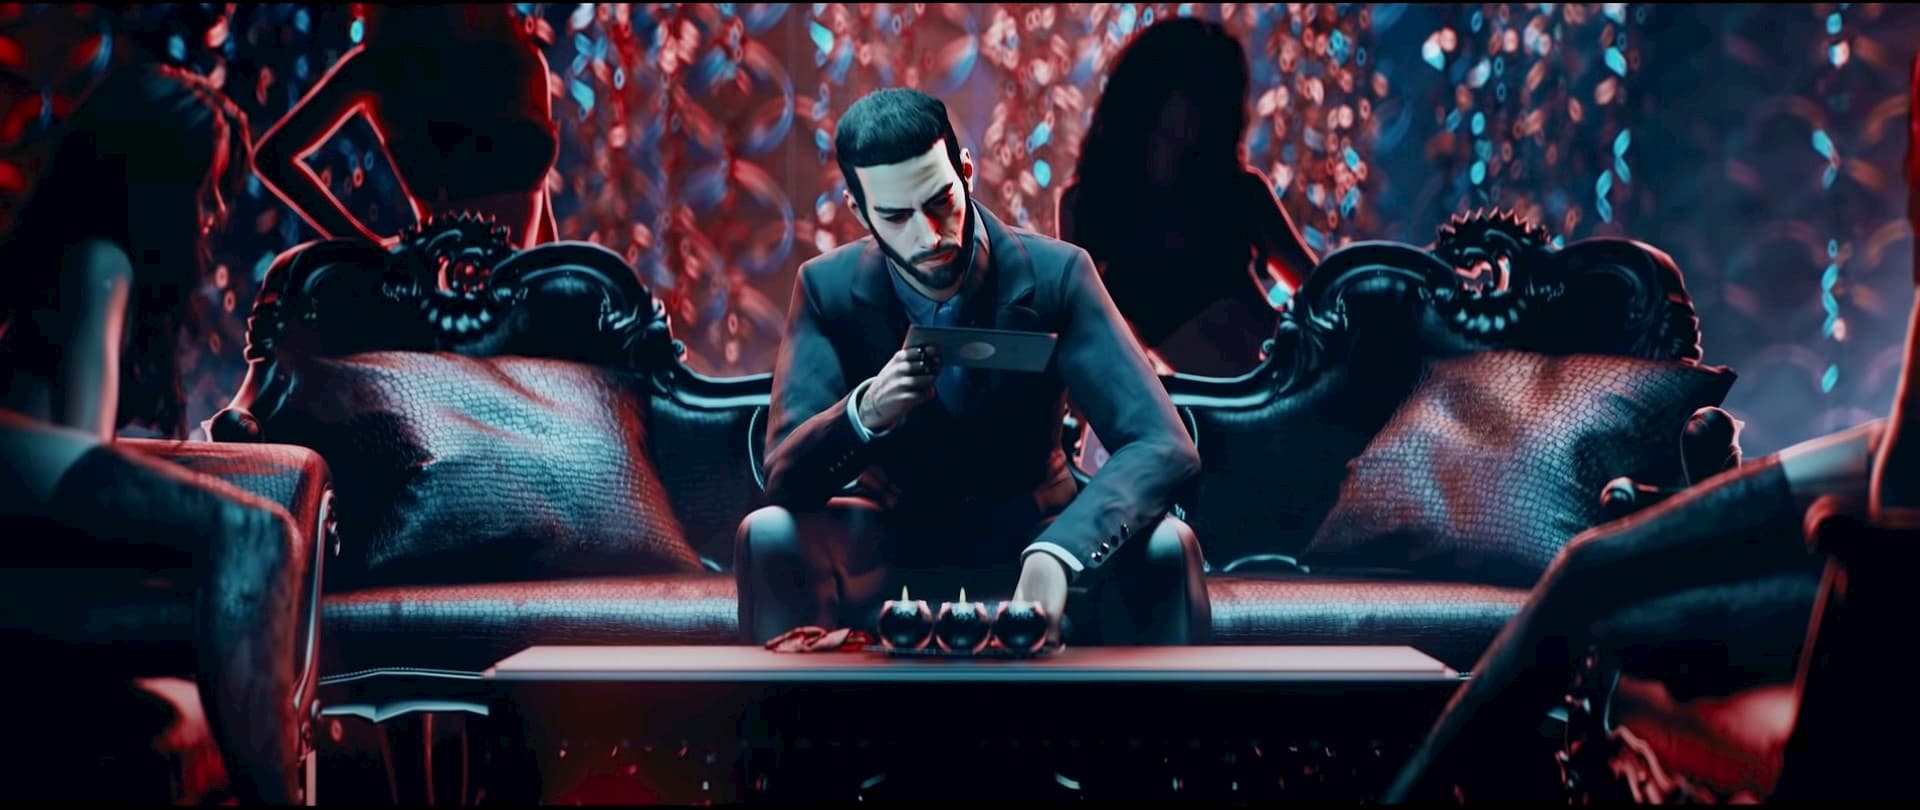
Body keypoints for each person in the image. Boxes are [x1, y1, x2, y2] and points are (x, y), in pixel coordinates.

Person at [737, 88, 1207, 645]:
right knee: (767, 533)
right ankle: (799, 707)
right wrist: (865, 413)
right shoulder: (826, 289)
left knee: (1168, 546)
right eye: (896, 216)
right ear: (859, 212)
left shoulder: (1057, 274)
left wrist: (1059, 553)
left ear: (965, 171)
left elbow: (1162, 444)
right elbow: (785, 478)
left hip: (1037, 527)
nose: (928, 233)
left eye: (940, 201)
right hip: (891, 538)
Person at [0, 63, 302, 803]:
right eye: (204, 190)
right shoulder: (100, 262)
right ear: (156, 178)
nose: (213, 214)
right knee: (259, 537)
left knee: (245, 564)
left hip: (31, 501)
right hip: (29, 506)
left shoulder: (81, 259)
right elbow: (84, 460)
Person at [1058, 17, 1320, 378]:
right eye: (1193, 88)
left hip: (1293, 380)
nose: (1203, 107)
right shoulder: (1086, 207)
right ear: (1152, 85)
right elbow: (1083, 336)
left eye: (1217, 94)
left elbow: (1324, 291)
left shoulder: (1236, 191)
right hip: (1215, 407)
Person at [251, 4, 558, 250]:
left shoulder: (522, 58)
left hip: (521, 296)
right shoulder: (380, 67)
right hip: (441, 298)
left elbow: (542, 217)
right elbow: (272, 157)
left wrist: (562, 286)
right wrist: (367, 249)